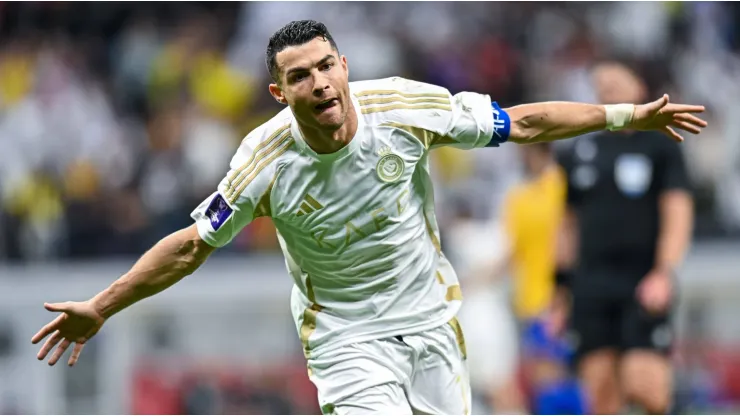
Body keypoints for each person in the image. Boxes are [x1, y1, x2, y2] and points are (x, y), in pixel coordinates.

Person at [30, 20, 706, 415]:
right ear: (279, 91)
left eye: (326, 66)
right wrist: (104, 305)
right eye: (301, 76)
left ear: (344, 66)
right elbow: (190, 246)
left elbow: (523, 122)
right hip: (347, 338)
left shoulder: (404, 108)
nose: (320, 83)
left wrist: (627, 117)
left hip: (432, 323)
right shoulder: (262, 160)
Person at [556, 62, 695, 414]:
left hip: (642, 279)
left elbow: (677, 211)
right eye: (600, 85)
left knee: (644, 384)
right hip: (590, 285)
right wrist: (559, 291)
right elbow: (568, 225)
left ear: (639, 87)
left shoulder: (662, 144)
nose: (607, 90)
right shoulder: (580, 151)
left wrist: (664, 272)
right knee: (600, 392)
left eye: (616, 82)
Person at [472, 143, 586, 415]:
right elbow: (514, 251)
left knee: (563, 379)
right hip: (530, 300)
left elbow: (573, 239)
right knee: (542, 382)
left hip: (562, 298)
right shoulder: (518, 197)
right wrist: (477, 278)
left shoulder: (564, 187)